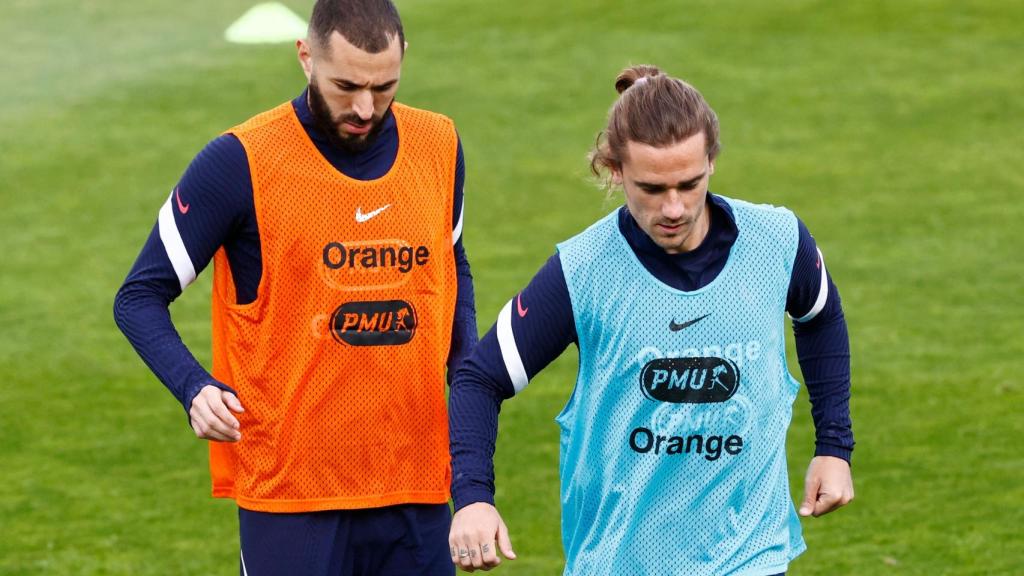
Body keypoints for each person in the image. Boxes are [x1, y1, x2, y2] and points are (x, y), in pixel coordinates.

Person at [446, 65, 854, 575]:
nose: (675, 208)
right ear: (615, 170)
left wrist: (834, 446)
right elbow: (479, 378)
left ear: (711, 161)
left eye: (690, 183)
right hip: (619, 561)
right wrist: (473, 498)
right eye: (653, 188)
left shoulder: (777, 242)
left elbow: (820, 316)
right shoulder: (583, 271)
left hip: (749, 553)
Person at [113, 1, 476, 574]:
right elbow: (138, 296)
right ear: (305, 57)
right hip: (291, 493)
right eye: (346, 85)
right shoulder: (239, 161)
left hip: (417, 483)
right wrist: (193, 387)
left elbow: (450, 265)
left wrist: (468, 376)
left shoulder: (440, 145)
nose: (364, 108)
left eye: (384, 87)